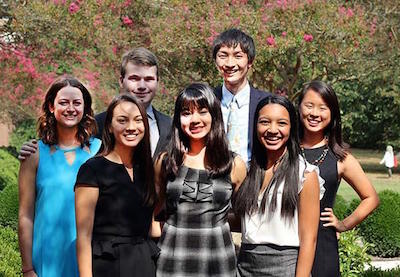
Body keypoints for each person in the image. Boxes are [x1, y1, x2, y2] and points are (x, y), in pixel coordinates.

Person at [154, 83, 247, 276]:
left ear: (214, 115)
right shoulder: (165, 161)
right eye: (186, 113)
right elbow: (153, 212)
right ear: (178, 119)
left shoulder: (234, 164)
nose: (195, 119)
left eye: (202, 111)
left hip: (217, 259)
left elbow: (244, 216)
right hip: (172, 259)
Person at [18, 47, 172, 160]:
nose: (142, 86)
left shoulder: (171, 126)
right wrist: (32, 149)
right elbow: (63, 149)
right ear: (121, 81)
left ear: (157, 82)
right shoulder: (96, 125)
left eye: (149, 79)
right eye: (134, 78)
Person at [18, 76, 101, 277]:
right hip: (47, 257)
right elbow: (26, 215)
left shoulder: (100, 150)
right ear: (51, 107)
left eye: (77, 103)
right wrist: (27, 268)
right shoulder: (34, 154)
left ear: (85, 108)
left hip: (90, 257)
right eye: (63, 102)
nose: (70, 108)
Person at [234, 95, 322, 276]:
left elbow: (309, 239)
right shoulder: (248, 171)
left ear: (292, 128)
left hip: (285, 268)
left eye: (281, 123)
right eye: (265, 122)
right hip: (244, 266)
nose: (272, 130)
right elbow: (243, 221)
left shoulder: (305, 174)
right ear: (255, 126)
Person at [298, 80, 379, 277]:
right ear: (299, 107)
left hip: (323, 246)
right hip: (287, 243)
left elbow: (371, 198)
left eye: (323, 108)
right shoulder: (285, 148)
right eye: (309, 106)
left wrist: (343, 224)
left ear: (332, 113)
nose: (314, 114)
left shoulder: (341, 157)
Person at [75, 94, 159, 277]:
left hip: (145, 262)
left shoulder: (146, 169)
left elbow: (153, 226)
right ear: (110, 128)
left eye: (138, 120)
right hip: (108, 265)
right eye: (122, 120)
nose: (131, 127)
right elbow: (83, 236)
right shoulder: (92, 170)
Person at [212, 28, 271, 163]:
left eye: (238, 56)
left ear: (250, 61)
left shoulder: (267, 103)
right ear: (215, 61)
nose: (230, 64)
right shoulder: (207, 101)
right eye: (223, 56)